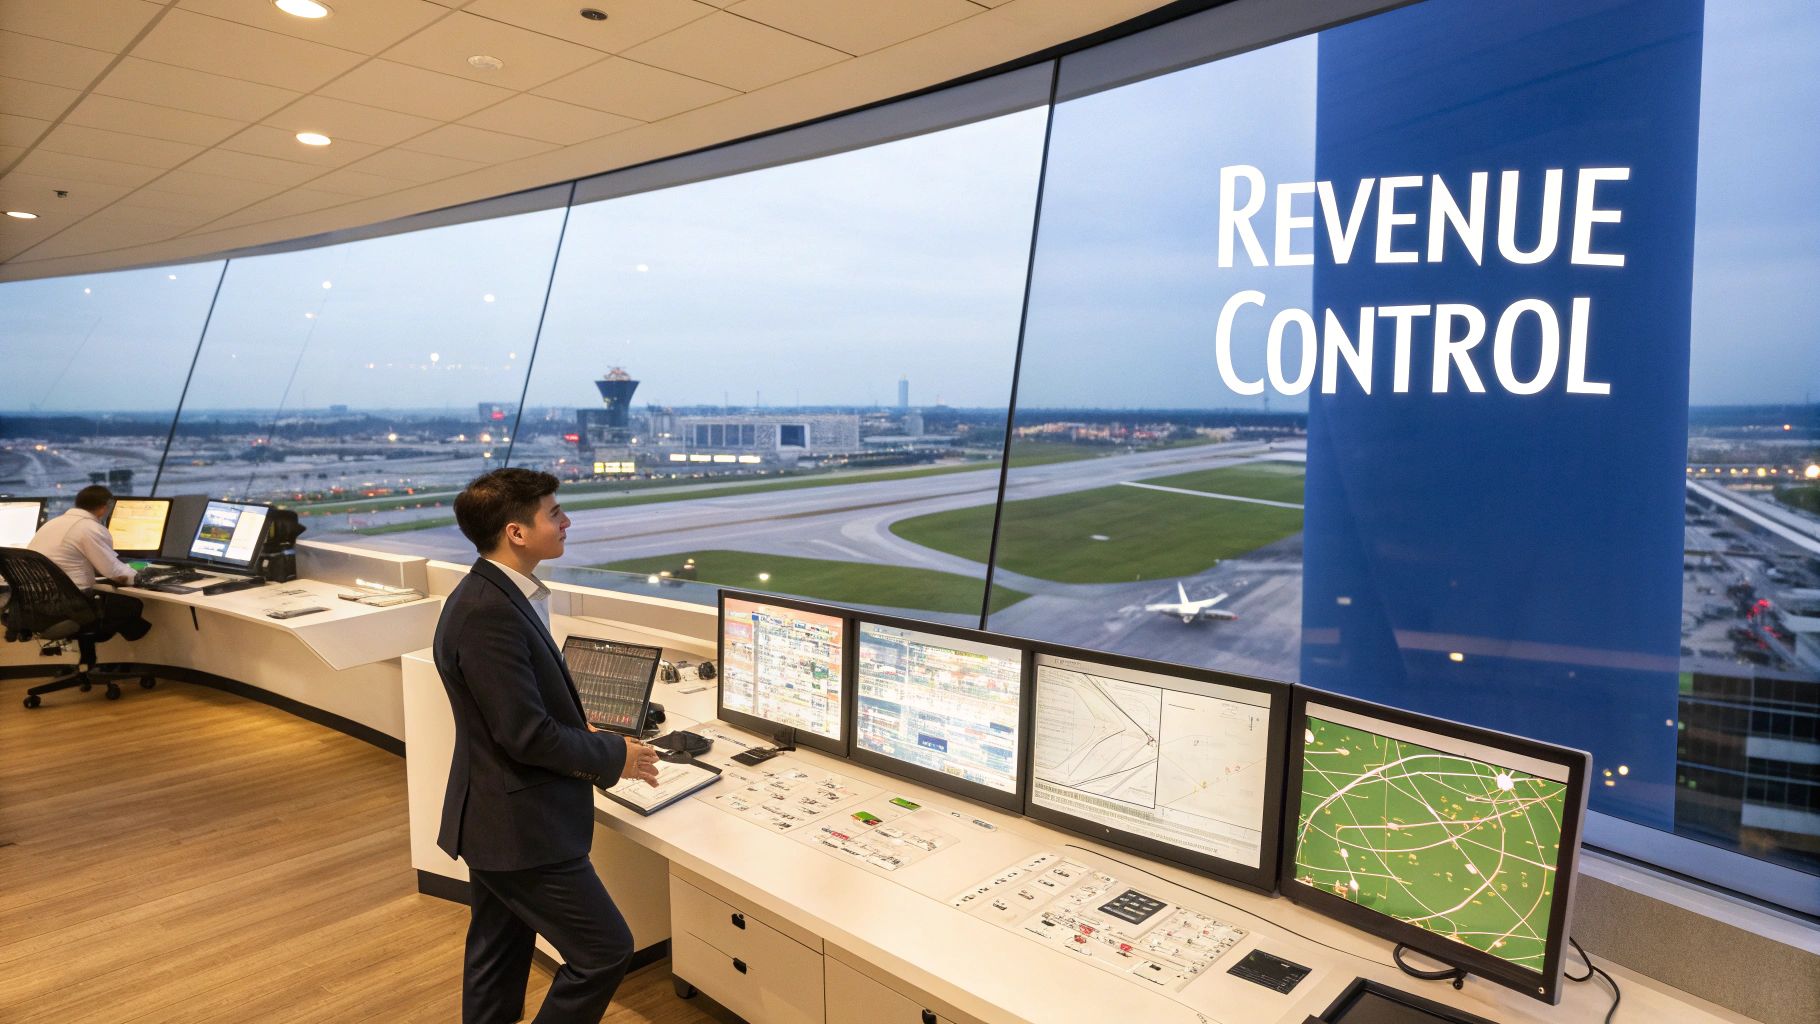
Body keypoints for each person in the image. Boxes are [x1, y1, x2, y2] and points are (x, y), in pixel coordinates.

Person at [435, 467, 662, 1024]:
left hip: (492, 816)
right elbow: (526, 735)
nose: (566, 521)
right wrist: (617, 756)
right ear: (516, 532)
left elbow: (515, 716)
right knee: (605, 951)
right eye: (554, 513)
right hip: (518, 829)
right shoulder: (489, 612)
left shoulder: (495, 594)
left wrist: (582, 734)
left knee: (498, 954)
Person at [27, 484, 152, 642]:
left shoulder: (53, 523)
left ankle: (89, 660)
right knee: (131, 605)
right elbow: (115, 572)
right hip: (68, 605)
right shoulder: (89, 527)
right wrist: (145, 577)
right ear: (103, 508)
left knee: (122, 610)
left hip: (41, 602)